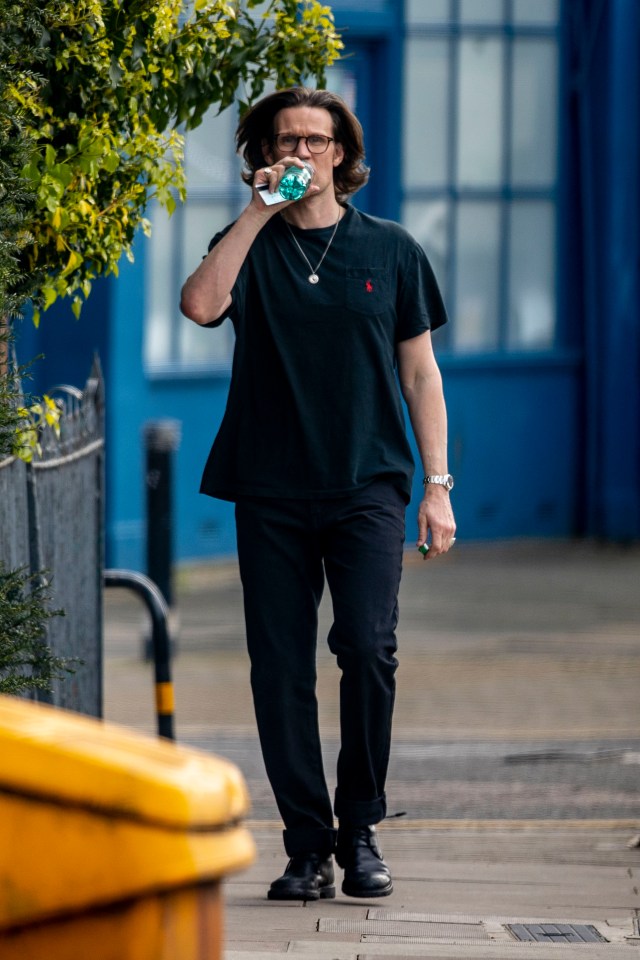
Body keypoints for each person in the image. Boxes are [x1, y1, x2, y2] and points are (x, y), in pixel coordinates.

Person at [180, 87, 456, 901]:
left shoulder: (392, 250)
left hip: (368, 482)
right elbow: (201, 305)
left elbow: (420, 373)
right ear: (262, 155)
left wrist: (437, 488)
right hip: (270, 485)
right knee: (278, 668)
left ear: (343, 154)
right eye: (285, 141)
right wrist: (260, 214)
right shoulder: (247, 245)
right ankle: (307, 847)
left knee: (368, 650)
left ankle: (360, 828)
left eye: (316, 141)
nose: (302, 153)